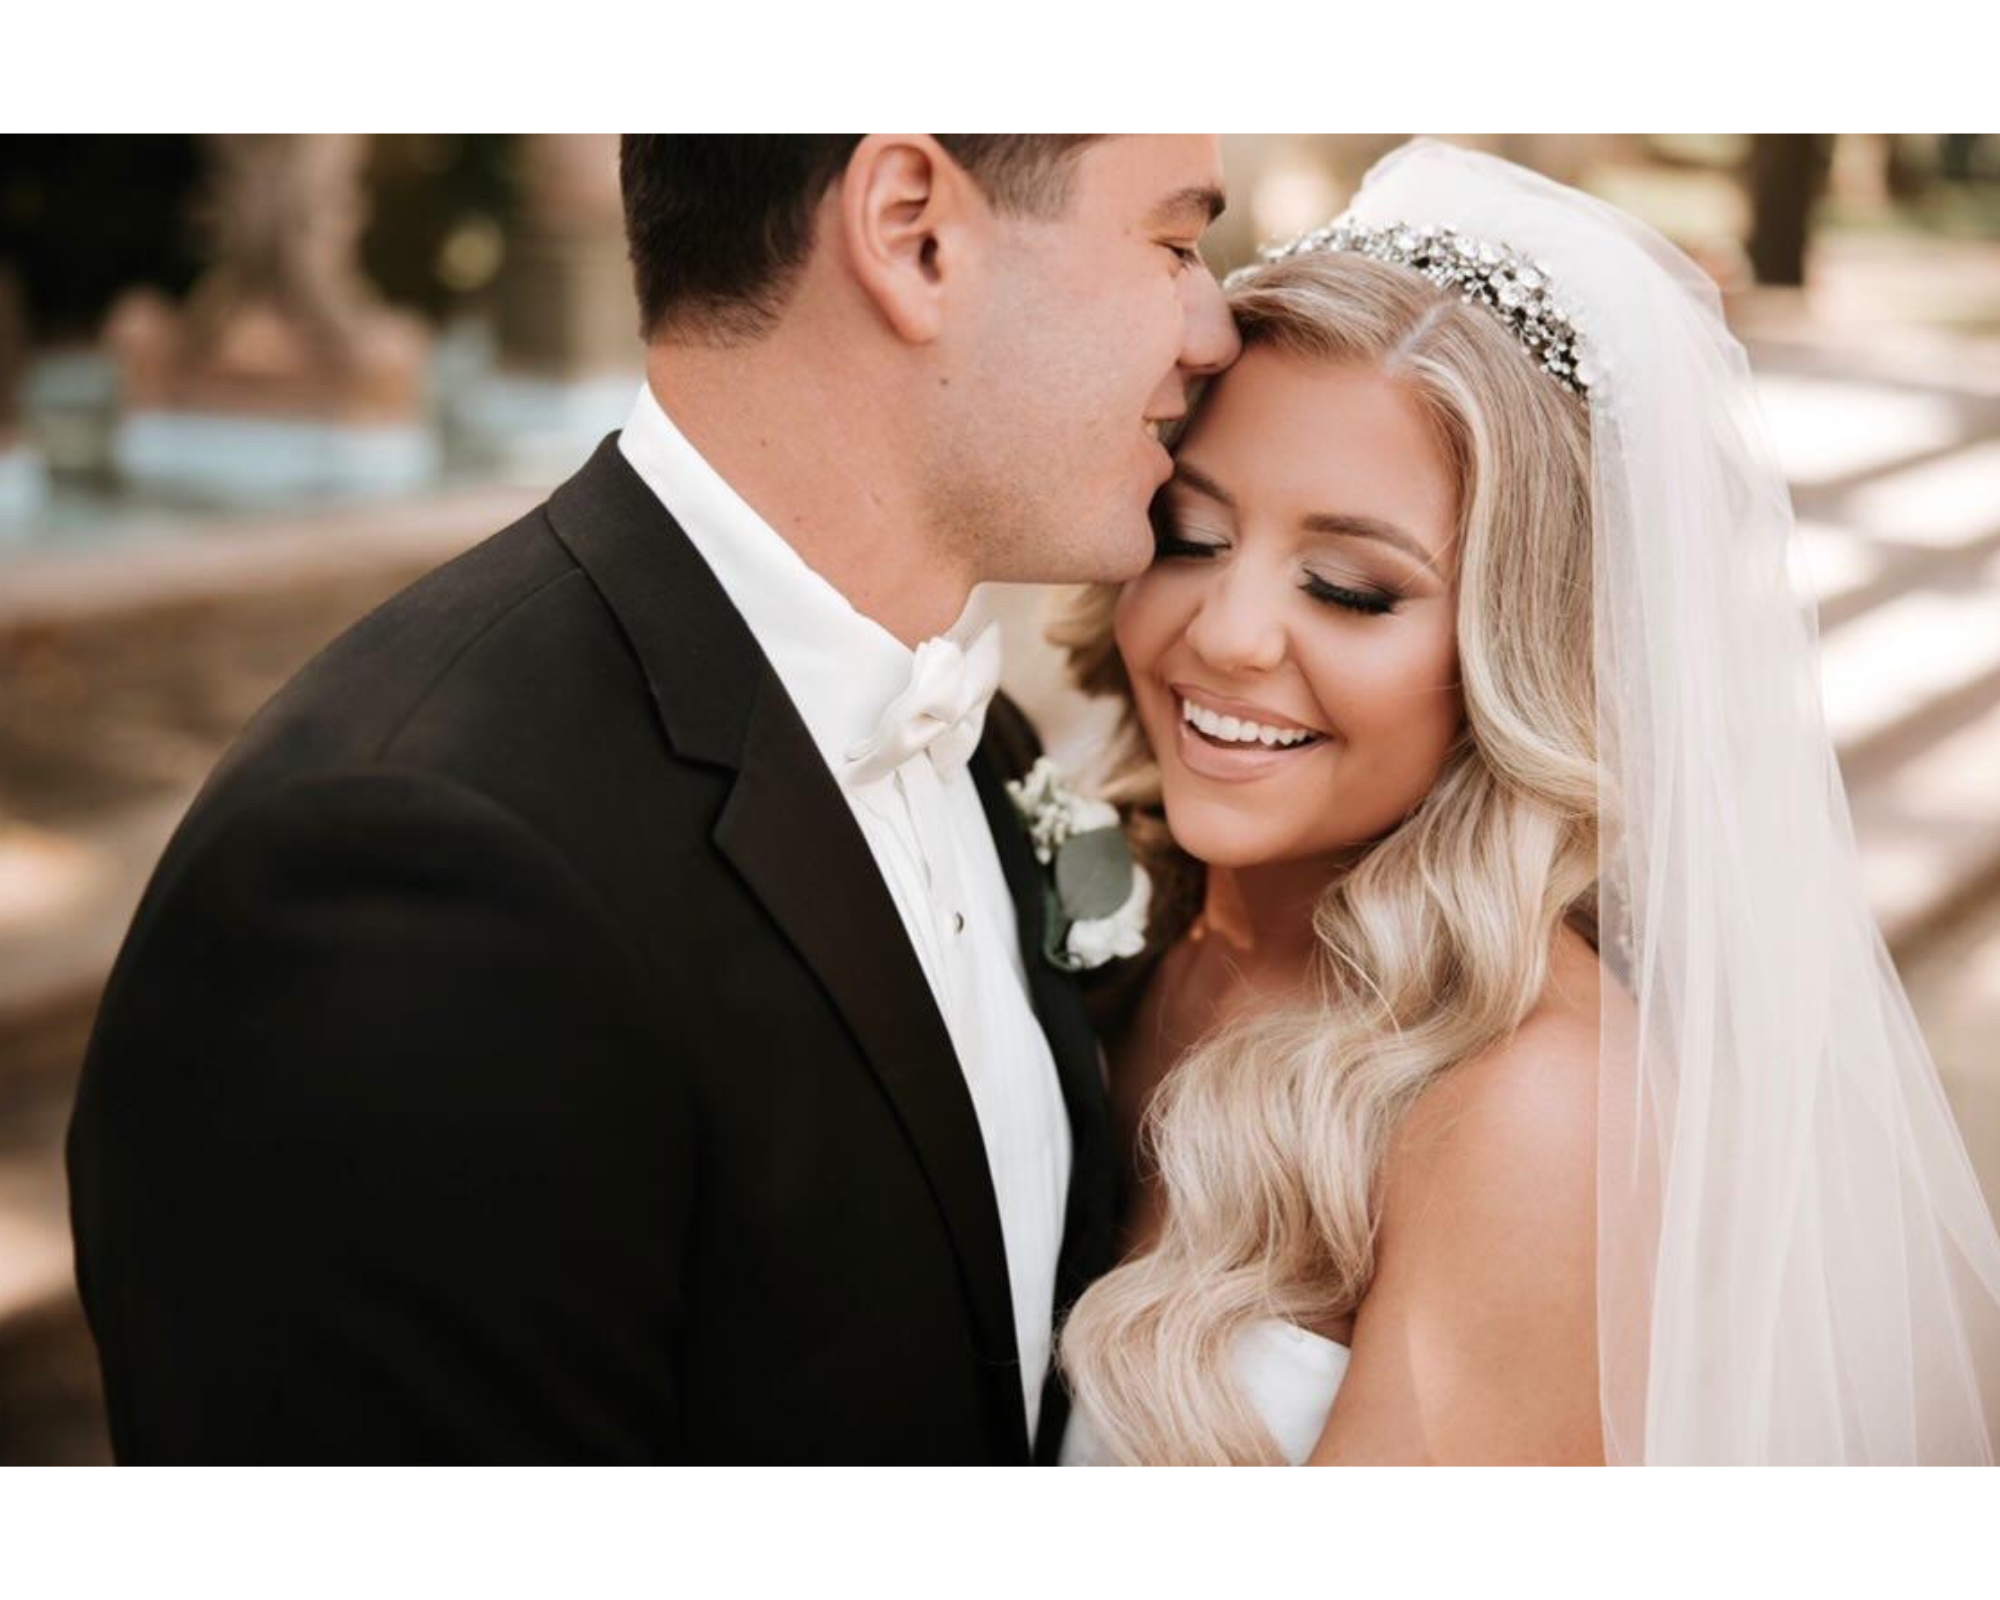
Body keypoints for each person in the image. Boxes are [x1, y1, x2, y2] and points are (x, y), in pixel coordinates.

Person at [65, 135, 1239, 1464]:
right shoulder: (403, 881)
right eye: (1175, 243)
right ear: (916, 233)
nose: (1213, 330)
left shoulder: (980, 743)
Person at [1055, 139, 2000, 1465]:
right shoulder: (1103, 915)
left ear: (1515, 652)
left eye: (1351, 588)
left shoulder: (1539, 1113)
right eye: (1192, 537)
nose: (1230, 633)